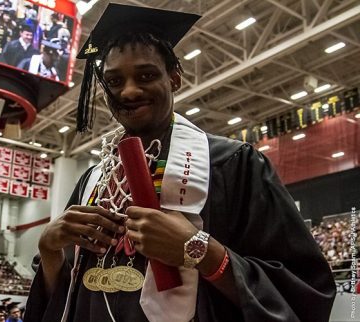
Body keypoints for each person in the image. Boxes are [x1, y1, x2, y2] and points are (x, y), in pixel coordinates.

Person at [24, 3, 336, 322]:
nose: (129, 91)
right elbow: (63, 301)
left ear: (175, 78)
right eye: (114, 82)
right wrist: (49, 249)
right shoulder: (93, 180)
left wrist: (198, 250)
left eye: (146, 75)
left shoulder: (232, 165)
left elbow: (303, 290)